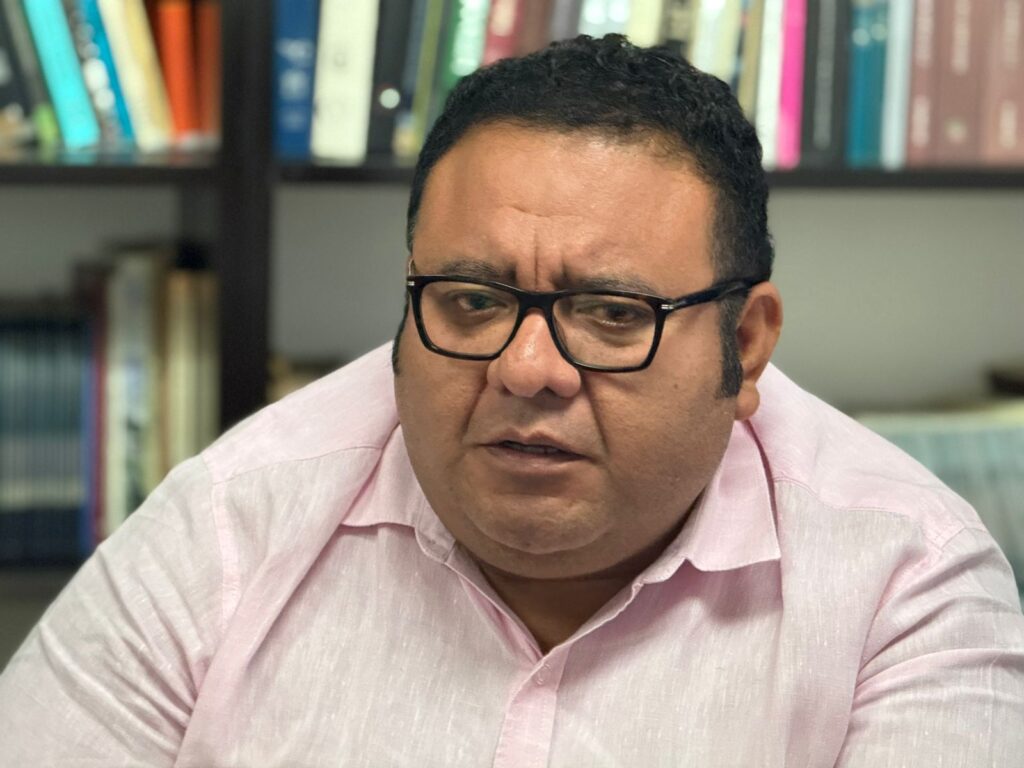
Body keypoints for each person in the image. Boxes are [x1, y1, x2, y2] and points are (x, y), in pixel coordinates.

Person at [1, 34, 1022, 767]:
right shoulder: (227, 523)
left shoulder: (909, 583)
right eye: (474, 300)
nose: (528, 368)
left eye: (612, 313)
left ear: (744, 345)